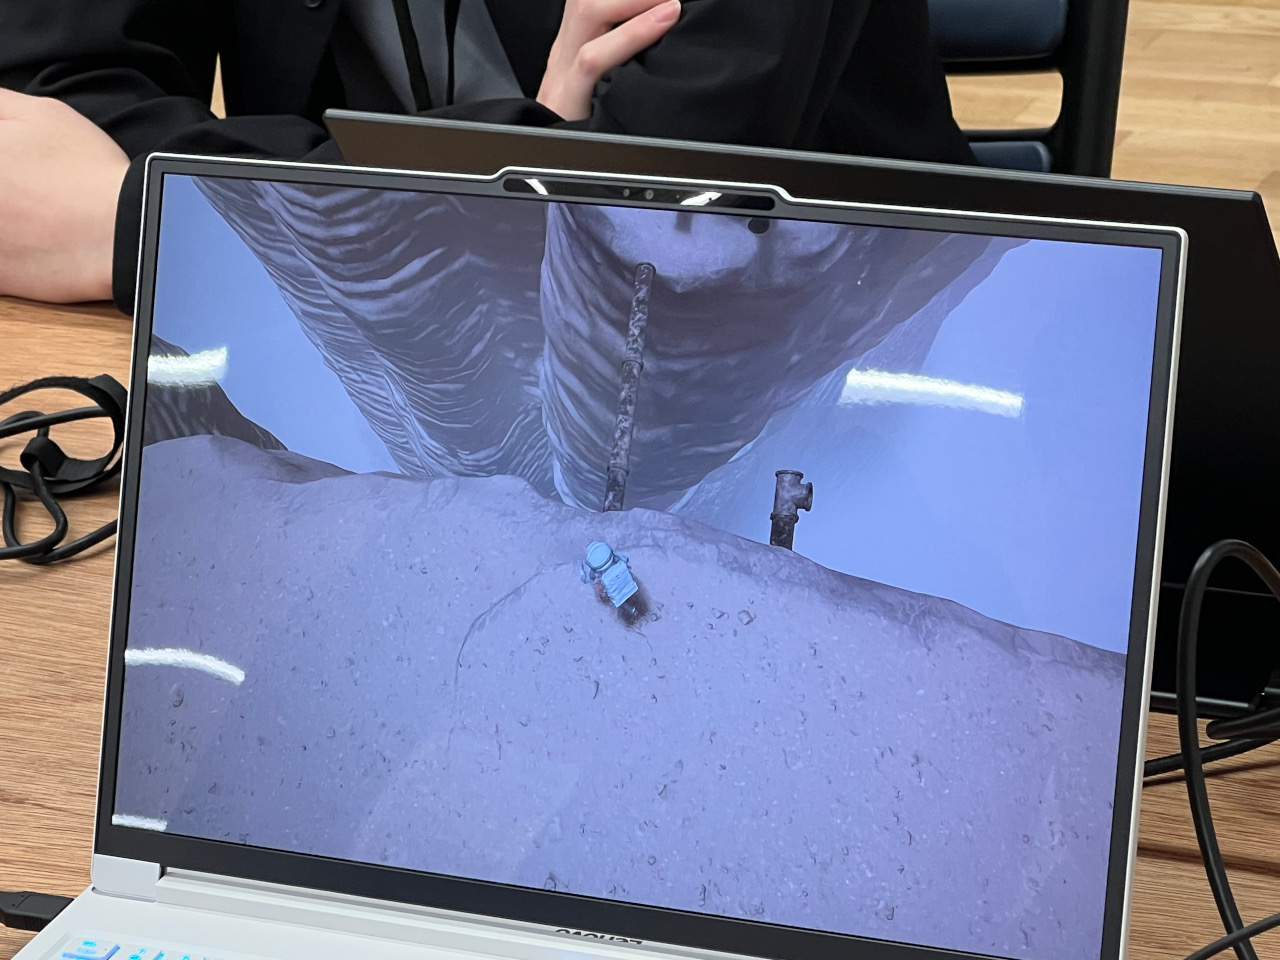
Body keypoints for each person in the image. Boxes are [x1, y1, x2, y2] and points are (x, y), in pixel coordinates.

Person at [0, 0, 976, 313]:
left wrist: (153, 222)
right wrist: (529, 156)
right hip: (356, 353)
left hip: (813, 329)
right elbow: (56, 111)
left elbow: (655, 212)